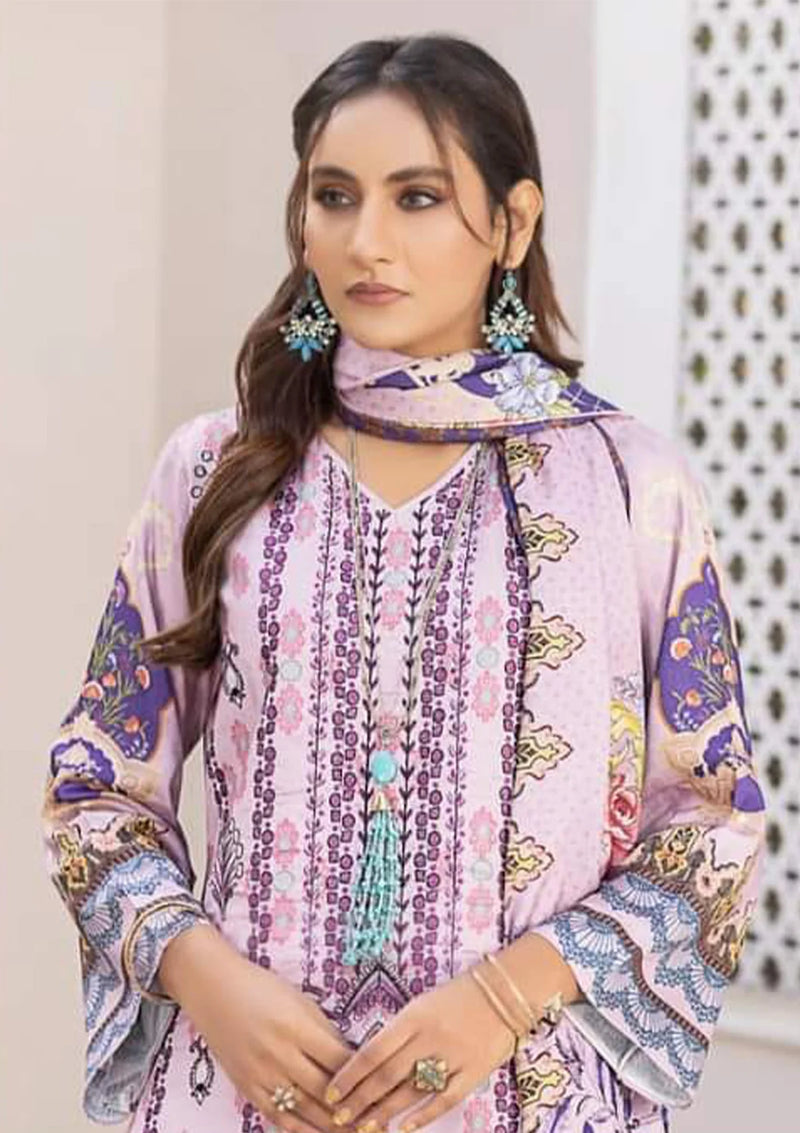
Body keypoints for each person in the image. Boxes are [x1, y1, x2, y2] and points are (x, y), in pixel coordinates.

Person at [42, 33, 766, 1133]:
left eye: (416, 197)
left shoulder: (627, 484)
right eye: (334, 196)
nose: (364, 240)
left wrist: (501, 997)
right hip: (239, 1095)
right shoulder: (215, 469)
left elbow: (711, 821)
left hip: (525, 1095)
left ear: (512, 222)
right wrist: (205, 976)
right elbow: (95, 788)